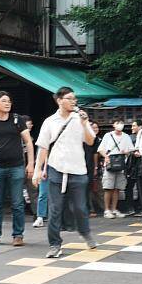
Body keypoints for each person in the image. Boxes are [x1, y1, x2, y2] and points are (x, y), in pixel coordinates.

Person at [33, 86, 98, 258]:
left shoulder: (79, 119)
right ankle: (55, 245)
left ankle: (85, 233)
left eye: (74, 99)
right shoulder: (50, 121)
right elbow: (43, 147)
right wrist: (37, 170)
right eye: (69, 98)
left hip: (78, 169)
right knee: (55, 209)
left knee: (80, 208)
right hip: (56, 169)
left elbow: (91, 141)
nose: (73, 101)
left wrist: (85, 124)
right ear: (59, 100)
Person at [0, 91, 35, 247]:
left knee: (17, 203)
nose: (7, 103)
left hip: (16, 166)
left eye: (9, 101)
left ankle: (18, 235)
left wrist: (30, 163)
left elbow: (28, 143)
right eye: (4, 101)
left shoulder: (17, 120)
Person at [98, 118, 133, 219]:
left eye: (121, 123)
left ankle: (114, 209)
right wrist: (106, 156)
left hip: (121, 164)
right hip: (110, 163)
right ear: (113, 125)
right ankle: (107, 210)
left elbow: (130, 149)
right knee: (108, 187)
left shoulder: (126, 136)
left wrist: (125, 151)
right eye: (117, 123)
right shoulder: (108, 135)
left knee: (117, 188)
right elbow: (101, 149)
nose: (120, 125)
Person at [124, 119, 142, 215]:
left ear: (140, 127)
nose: (132, 128)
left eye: (134, 126)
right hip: (131, 165)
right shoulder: (129, 137)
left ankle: (141, 208)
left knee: (141, 187)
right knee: (129, 187)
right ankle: (130, 208)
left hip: (141, 165)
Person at [85, 121, 103, 217]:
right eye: (93, 127)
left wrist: (95, 167)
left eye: (96, 127)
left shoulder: (95, 139)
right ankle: (88, 209)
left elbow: (95, 154)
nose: (95, 129)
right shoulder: (83, 137)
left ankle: (91, 209)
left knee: (91, 188)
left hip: (91, 166)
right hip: (83, 166)